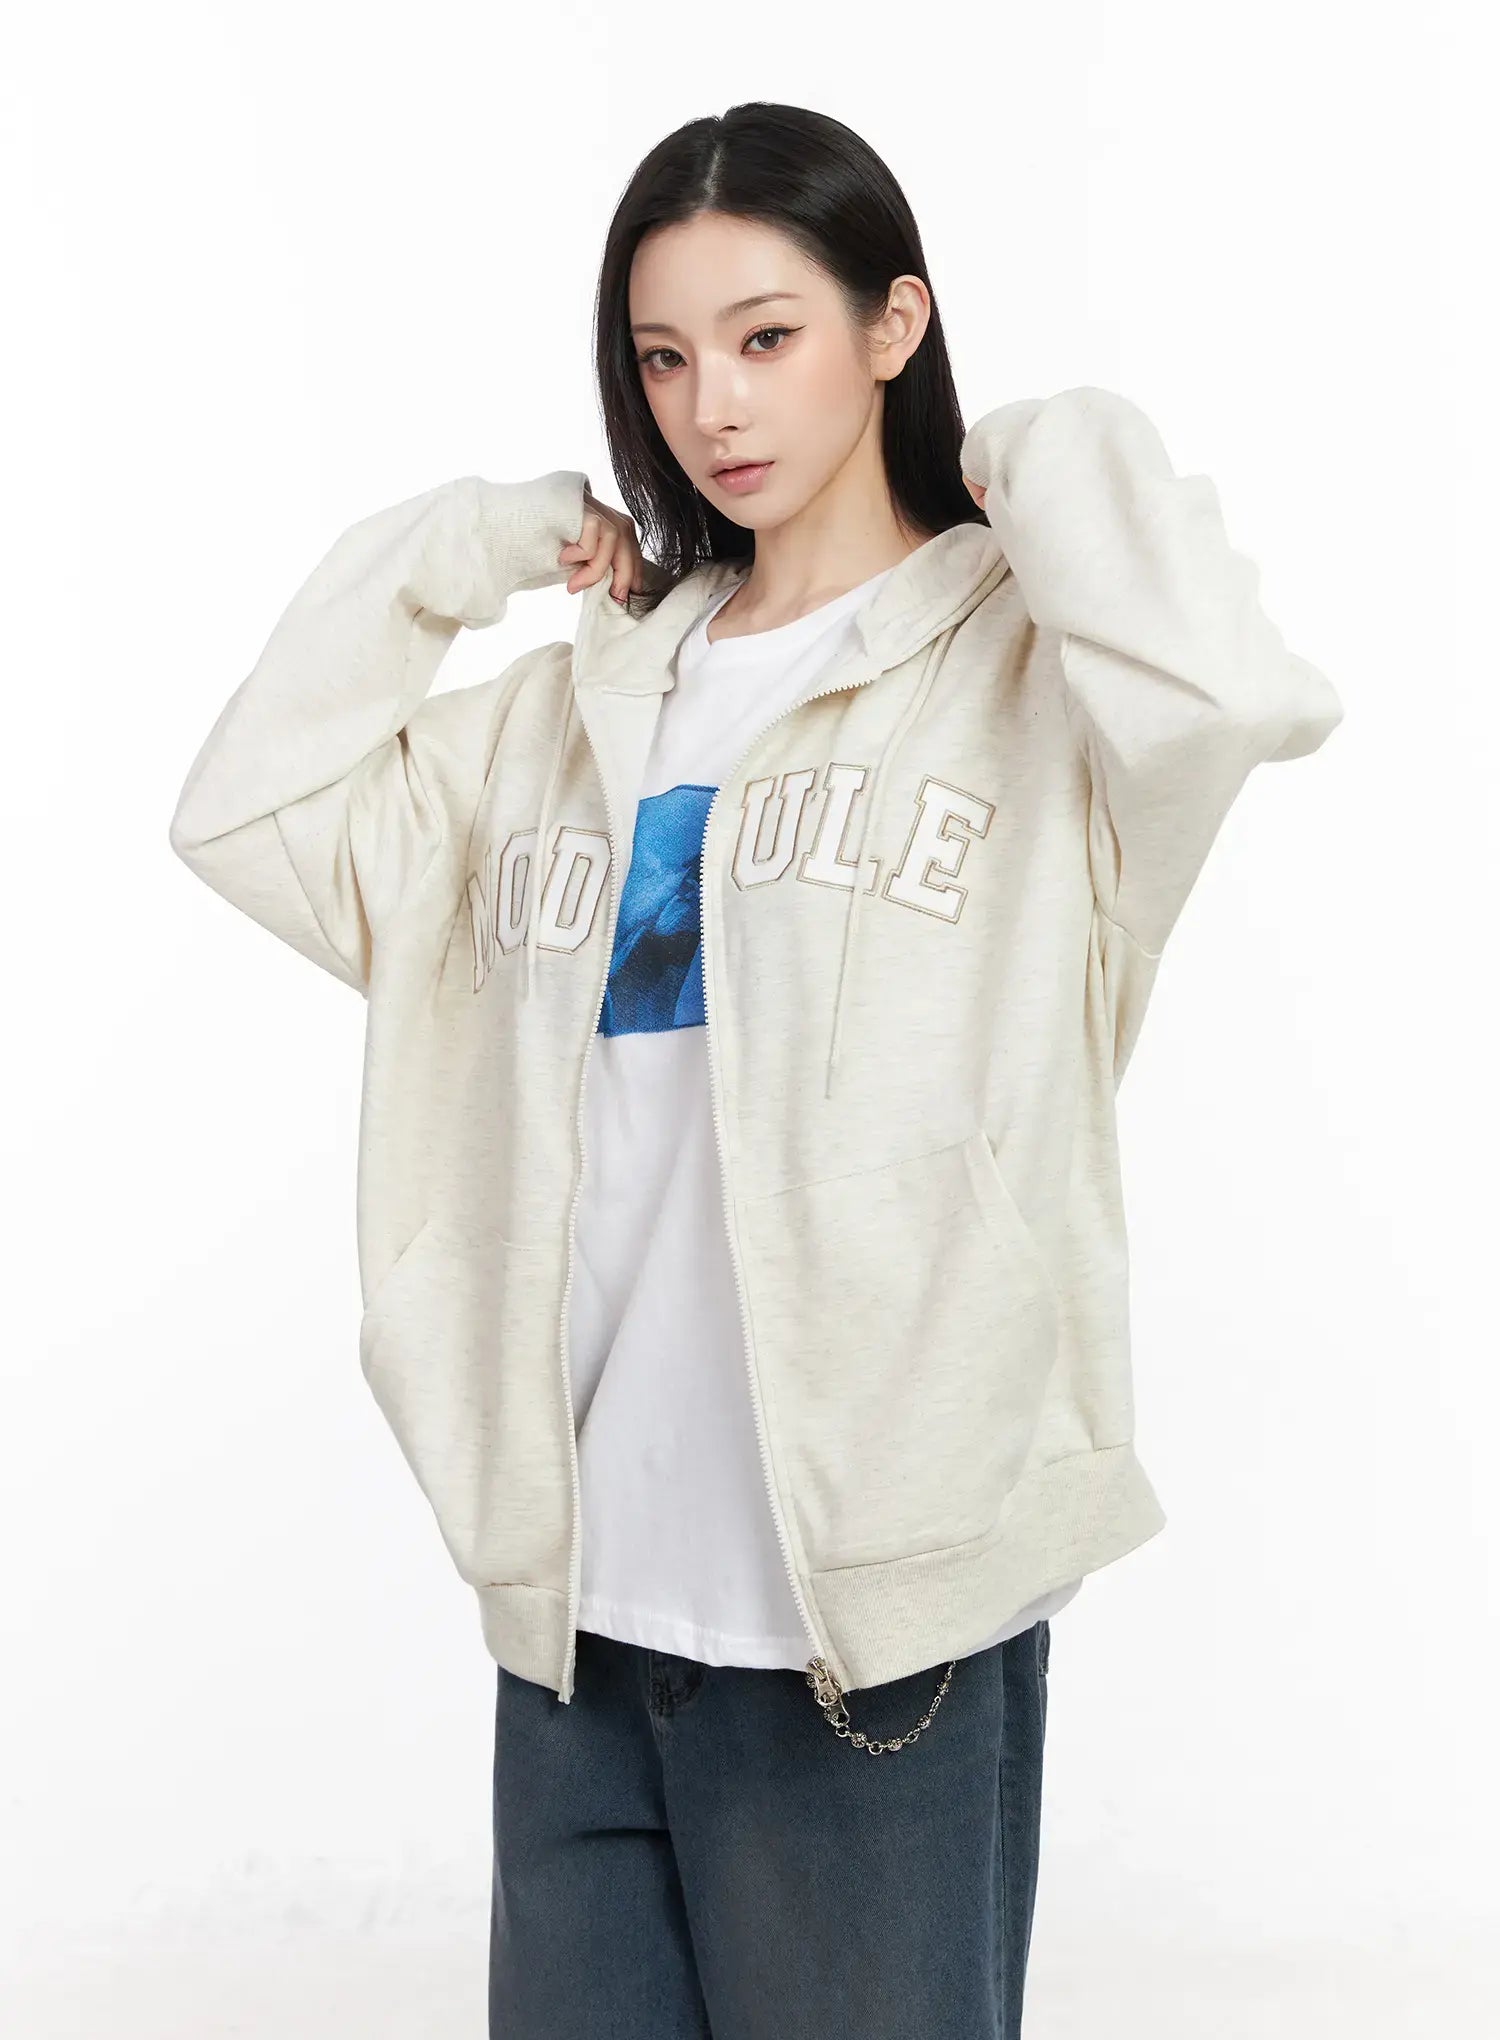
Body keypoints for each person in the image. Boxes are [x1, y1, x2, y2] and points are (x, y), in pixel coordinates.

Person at [168, 100, 1343, 2040]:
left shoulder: (1030, 679)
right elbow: (244, 814)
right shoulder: (576, 707)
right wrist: (465, 554)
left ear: (895, 323)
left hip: (870, 1630)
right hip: (580, 1628)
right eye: (663, 355)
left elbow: (1232, 692)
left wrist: (1028, 457)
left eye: (767, 334)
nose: (711, 402)